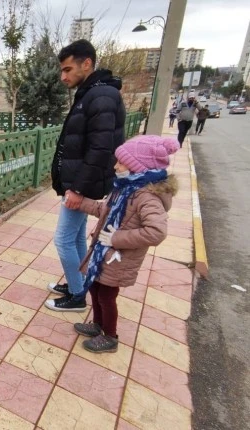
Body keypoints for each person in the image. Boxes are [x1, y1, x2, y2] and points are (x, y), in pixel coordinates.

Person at [68, 135, 179, 353]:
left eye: (121, 162)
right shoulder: (124, 189)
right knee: (96, 288)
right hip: (104, 253)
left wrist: (116, 239)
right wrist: (82, 204)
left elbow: (156, 232)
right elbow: (104, 211)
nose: (116, 165)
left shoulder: (147, 197)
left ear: (138, 167)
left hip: (119, 258)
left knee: (107, 297)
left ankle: (110, 337)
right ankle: (98, 325)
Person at [45, 39, 126, 312]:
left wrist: (77, 189)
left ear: (87, 63)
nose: (63, 76)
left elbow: (101, 149)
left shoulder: (100, 95)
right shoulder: (92, 93)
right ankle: (79, 281)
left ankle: (78, 296)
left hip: (85, 184)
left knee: (64, 239)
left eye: (68, 69)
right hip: (83, 181)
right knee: (77, 237)